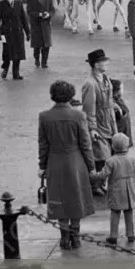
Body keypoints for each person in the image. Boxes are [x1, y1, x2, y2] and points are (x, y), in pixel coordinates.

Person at [38, 80, 96, 250]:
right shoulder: (78, 116)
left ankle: (64, 237)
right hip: (75, 160)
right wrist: (91, 166)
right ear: (71, 96)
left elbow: (43, 144)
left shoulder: (44, 116)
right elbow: (85, 144)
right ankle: (76, 237)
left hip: (54, 161)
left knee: (60, 200)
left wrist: (42, 166)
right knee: (75, 199)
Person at [90, 132, 135, 245]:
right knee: (129, 213)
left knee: (115, 213)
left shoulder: (110, 161)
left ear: (113, 146)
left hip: (116, 192)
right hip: (130, 192)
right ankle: (130, 234)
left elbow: (103, 175)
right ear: (127, 146)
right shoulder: (134, 159)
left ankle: (113, 235)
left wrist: (92, 174)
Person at [82, 49, 117, 173]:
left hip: (109, 121)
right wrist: (92, 129)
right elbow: (88, 109)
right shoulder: (90, 84)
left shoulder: (105, 78)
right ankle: (96, 185)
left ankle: (100, 184)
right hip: (99, 124)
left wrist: (115, 106)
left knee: (110, 154)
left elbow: (110, 99)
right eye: (104, 61)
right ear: (96, 64)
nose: (107, 63)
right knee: (101, 156)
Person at [0, 0, 31, 80]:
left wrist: (28, 32)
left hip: (18, 32)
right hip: (6, 33)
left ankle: (16, 73)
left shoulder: (19, 4)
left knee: (18, 54)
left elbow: (23, 19)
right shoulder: (1, 4)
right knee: (7, 53)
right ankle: (5, 68)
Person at [26, 0, 55, 68]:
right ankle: (37, 60)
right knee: (37, 46)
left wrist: (48, 14)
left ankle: (44, 62)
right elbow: (29, 12)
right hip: (36, 26)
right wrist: (38, 14)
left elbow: (52, 10)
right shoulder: (31, 0)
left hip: (46, 26)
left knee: (46, 46)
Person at [111, 78, 133, 146]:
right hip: (119, 139)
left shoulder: (119, 100)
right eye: (122, 88)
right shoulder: (113, 104)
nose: (123, 90)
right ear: (116, 91)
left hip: (125, 135)